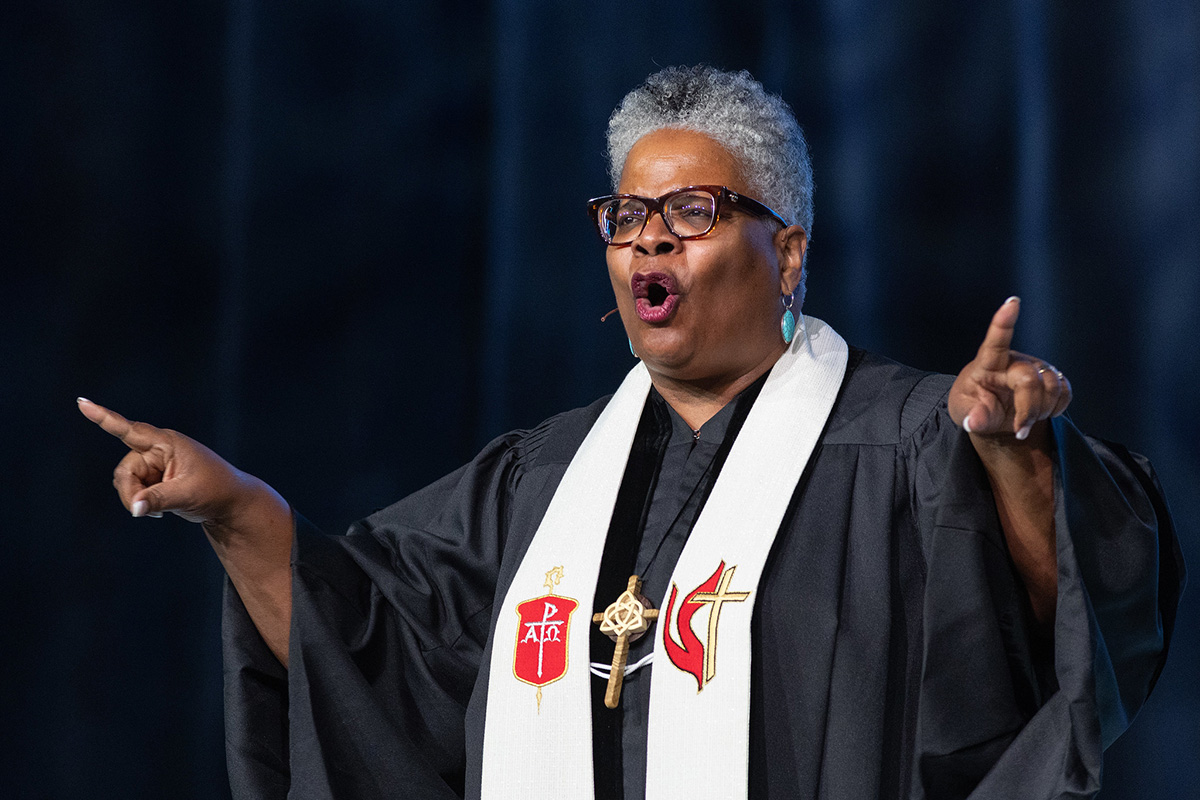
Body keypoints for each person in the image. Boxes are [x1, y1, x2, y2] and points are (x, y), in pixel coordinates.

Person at [81, 66, 1183, 800]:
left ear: (788, 254)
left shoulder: (904, 442)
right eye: (626, 215)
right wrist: (231, 506)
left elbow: (1059, 636)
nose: (648, 240)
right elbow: (365, 639)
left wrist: (1014, 456)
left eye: (692, 212)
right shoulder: (541, 478)